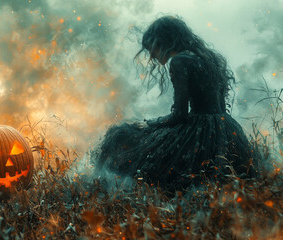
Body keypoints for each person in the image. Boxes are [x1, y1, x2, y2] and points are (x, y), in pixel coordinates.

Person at [95, 16, 259, 192]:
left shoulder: (179, 61)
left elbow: (180, 115)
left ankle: (101, 187)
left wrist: (149, 123)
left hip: (200, 131)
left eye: (153, 47)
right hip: (225, 128)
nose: (151, 55)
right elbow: (217, 105)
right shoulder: (208, 57)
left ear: (165, 41)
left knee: (122, 135)